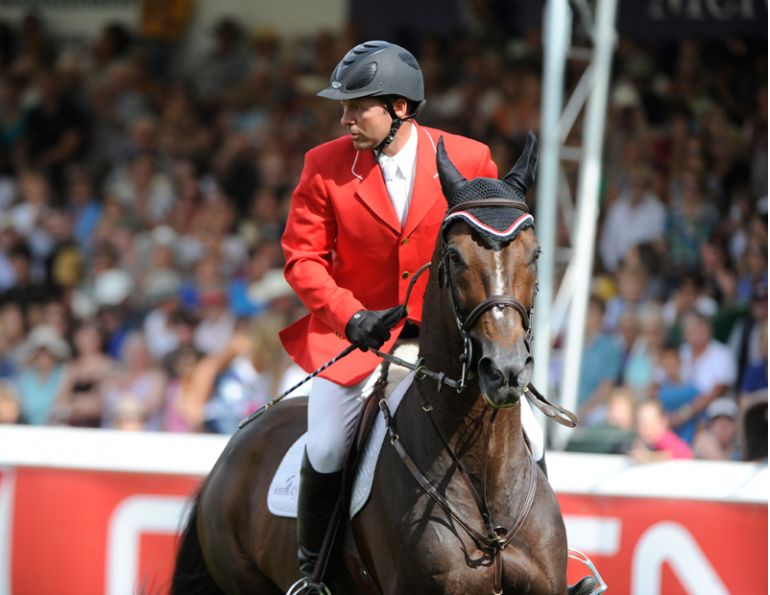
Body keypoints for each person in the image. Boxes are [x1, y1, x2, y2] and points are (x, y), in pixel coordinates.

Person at [278, 40, 546, 588]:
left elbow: (491, 254)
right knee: (328, 441)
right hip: (357, 341)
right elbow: (302, 260)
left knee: (533, 434)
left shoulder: (470, 160)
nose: (345, 119)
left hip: (449, 342)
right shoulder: (324, 166)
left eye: (358, 107)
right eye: (344, 108)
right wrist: (351, 317)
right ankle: (315, 571)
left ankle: (555, 556)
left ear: (400, 108)